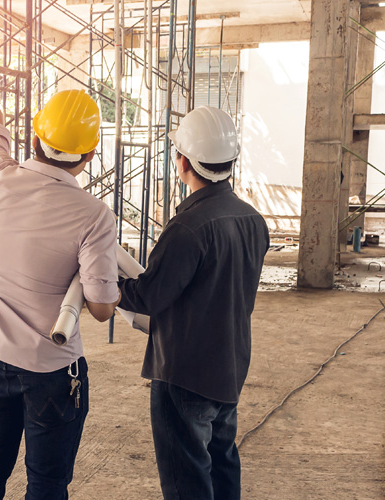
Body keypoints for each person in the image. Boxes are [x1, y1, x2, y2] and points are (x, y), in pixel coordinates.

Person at [0, 77, 120, 500]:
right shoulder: (94, 215)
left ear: (35, 136)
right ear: (88, 155)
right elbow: (103, 308)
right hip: (52, 370)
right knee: (47, 482)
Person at [117, 106, 269, 500]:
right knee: (220, 465)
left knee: (187, 480)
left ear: (182, 161)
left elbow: (148, 296)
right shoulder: (253, 221)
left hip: (183, 374)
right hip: (228, 367)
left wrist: (105, 280)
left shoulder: (187, 228)